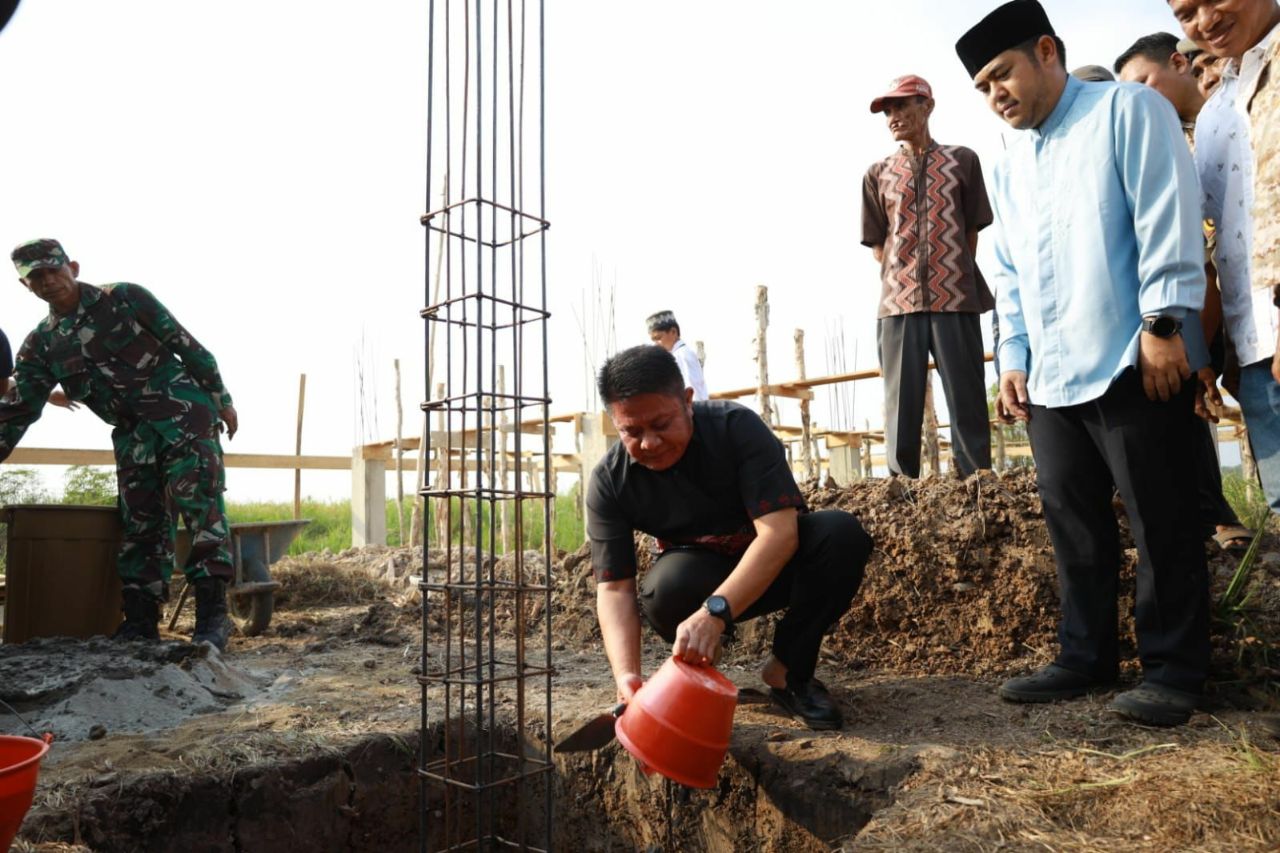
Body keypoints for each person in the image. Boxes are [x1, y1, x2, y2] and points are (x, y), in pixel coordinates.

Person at [957, 0, 1211, 726]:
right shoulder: (1008, 165)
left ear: (1047, 51)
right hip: (1052, 374)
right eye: (982, 86)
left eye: (1001, 74)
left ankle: (1173, 668)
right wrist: (1012, 355)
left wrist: (1164, 322)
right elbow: (1008, 271)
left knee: (1160, 516)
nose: (995, 93)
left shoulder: (1126, 111)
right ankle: (1085, 653)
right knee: (1073, 520)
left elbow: (1166, 210)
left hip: (1134, 355)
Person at [587, 345, 872, 730]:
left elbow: (779, 534)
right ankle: (702, 673)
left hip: (775, 565)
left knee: (840, 535)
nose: (650, 443)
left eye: (661, 424)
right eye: (631, 432)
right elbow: (615, 589)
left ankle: (787, 671)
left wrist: (714, 613)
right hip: (699, 574)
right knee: (664, 589)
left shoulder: (735, 428)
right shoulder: (611, 482)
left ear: (687, 401)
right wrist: (626, 677)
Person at [2, 239, 239, 650]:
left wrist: (223, 400)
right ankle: (140, 623)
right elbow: (18, 409)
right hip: (133, 436)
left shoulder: (125, 298)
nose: (48, 281)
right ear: (26, 286)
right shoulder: (41, 345)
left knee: (201, 512)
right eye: (36, 277)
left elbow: (185, 344)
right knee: (140, 526)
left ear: (72, 266)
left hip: (183, 416)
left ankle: (213, 621)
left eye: (54, 270)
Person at [1115, 31, 1253, 552]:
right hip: (1210, 310)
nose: (1141, 101)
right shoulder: (1168, 138)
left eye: (1146, 83)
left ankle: (1215, 515)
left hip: (1236, 302)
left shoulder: (1234, 113)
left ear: (1180, 62)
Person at [1172, 0, 1280, 511]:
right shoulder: (1216, 111)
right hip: (1256, 354)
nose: (1205, 20)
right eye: (1186, 12)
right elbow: (1215, 250)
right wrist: (1207, 360)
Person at [861, 74, 994, 479]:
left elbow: (971, 229)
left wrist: (948, 272)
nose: (893, 116)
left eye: (902, 106)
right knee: (900, 404)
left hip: (955, 297)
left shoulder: (963, 160)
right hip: (898, 304)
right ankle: (902, 488)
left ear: (927, 106)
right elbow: (877, 243)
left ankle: (976, 484)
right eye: (888, 110)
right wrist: (902, 278)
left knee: (967, 397)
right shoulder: (877, 173)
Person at [646, 310, 709, 401]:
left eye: (658, 338)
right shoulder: (674, 356)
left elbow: (695, 393)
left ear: (673, 332)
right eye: (653, 340)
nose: (656, 344)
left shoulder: (683, 355)